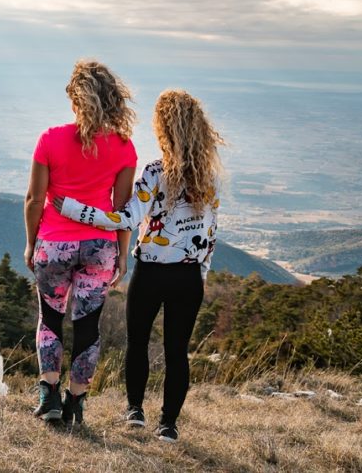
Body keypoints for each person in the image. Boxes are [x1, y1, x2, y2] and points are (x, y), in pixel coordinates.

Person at [54, 89, 223, 443]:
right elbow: (210, 235)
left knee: (138, 342)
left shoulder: (156, 173)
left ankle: (135, 412)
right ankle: (169, 424)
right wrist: (199, 275)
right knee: (178, 351)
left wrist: (73, 210)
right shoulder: (211, 178)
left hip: (150, 272)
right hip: (189, 276)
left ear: (164, 128)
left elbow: (125, 218)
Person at [24, 60, 137, 425]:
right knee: (88, 326)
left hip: (53, 245)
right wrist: (122, 254)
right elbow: (121, 210)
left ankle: (49, 396)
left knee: (51, 318)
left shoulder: (50, 139)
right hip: (100, 248)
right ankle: (76, 402)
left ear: (76, 100)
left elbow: (34, 200)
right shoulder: (123, 146)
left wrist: (31, 244)